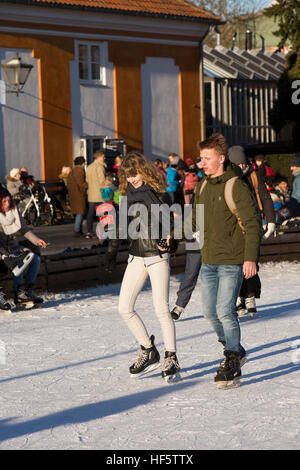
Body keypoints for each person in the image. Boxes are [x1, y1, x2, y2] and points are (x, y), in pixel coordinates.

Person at [192, 134, 261, 389]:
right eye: (201, 158)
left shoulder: (235, 185)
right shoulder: (201, 186)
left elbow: (252, 224)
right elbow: (194, 220)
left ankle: (232, 360)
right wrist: (173, 237)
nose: (203, 163)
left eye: (207, 158)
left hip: (232, 261)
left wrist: (250, 258)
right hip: (209, 260)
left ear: (221, 159)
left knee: (225, 311)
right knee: (210, 312)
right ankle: (236, 349)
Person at [118, 152, 180, 382]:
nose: (133, 179)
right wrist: (111, 250)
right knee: (124, 307)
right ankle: (148, 349)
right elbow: (122, 226)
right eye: (129, 175)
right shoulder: (127, 195)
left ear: (144, 171)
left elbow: (171, 225)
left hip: (157, 256)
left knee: (160, 308)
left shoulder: (156, 193)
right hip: (136, 256)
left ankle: (171, 357)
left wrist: (170, 239)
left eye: (135, 174)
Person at [228, 145, 276, 317]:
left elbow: (266, 198)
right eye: (237, 164)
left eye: (243, 163)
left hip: (253, 225)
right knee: (236, 264)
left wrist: (270, 220)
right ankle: (240, 296)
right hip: (234, 227)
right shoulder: (228, 179)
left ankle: (249, 295)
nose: (241, 167)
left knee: (251, 262)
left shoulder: (253, 176)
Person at [0, 186, 47, 306]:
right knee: (19, 262)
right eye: (4, 201)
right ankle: (16, 292)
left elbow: (24, 228)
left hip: (12, 245)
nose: (7, 204)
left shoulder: (13, 211)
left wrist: (36, 240)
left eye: (8, 200)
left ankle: (25, 292)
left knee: (34, 258)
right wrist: (6, 254)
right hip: (2, 249)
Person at [85, 150, 107, 238]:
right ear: (99, 157)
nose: (104, 158)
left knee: (90, 214)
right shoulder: (100, 167)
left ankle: (89, 231)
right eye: (103, 157)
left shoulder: (89, 167)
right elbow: (102, 181)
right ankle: (102, 231)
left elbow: (86, 180)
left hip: (91, 194)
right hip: (99, 194)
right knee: (102, 214)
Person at [67, 157, 88, 236]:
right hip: (79, 195)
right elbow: (81, 184)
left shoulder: (72, 171)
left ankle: (78, 230)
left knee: (78, 213)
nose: (85, 164)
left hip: (73, 194)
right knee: (80, 212)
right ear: (82, 163)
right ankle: (77, 230)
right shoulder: (80, 170)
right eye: (84, 162)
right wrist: (89, 184)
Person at [288, 153, 300, 217]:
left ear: (298, 166)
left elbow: (298, 196)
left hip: (297, 210)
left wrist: (290, 209)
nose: (291, 168)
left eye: (292, 166)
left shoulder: (299, 178)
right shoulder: (297, 177)